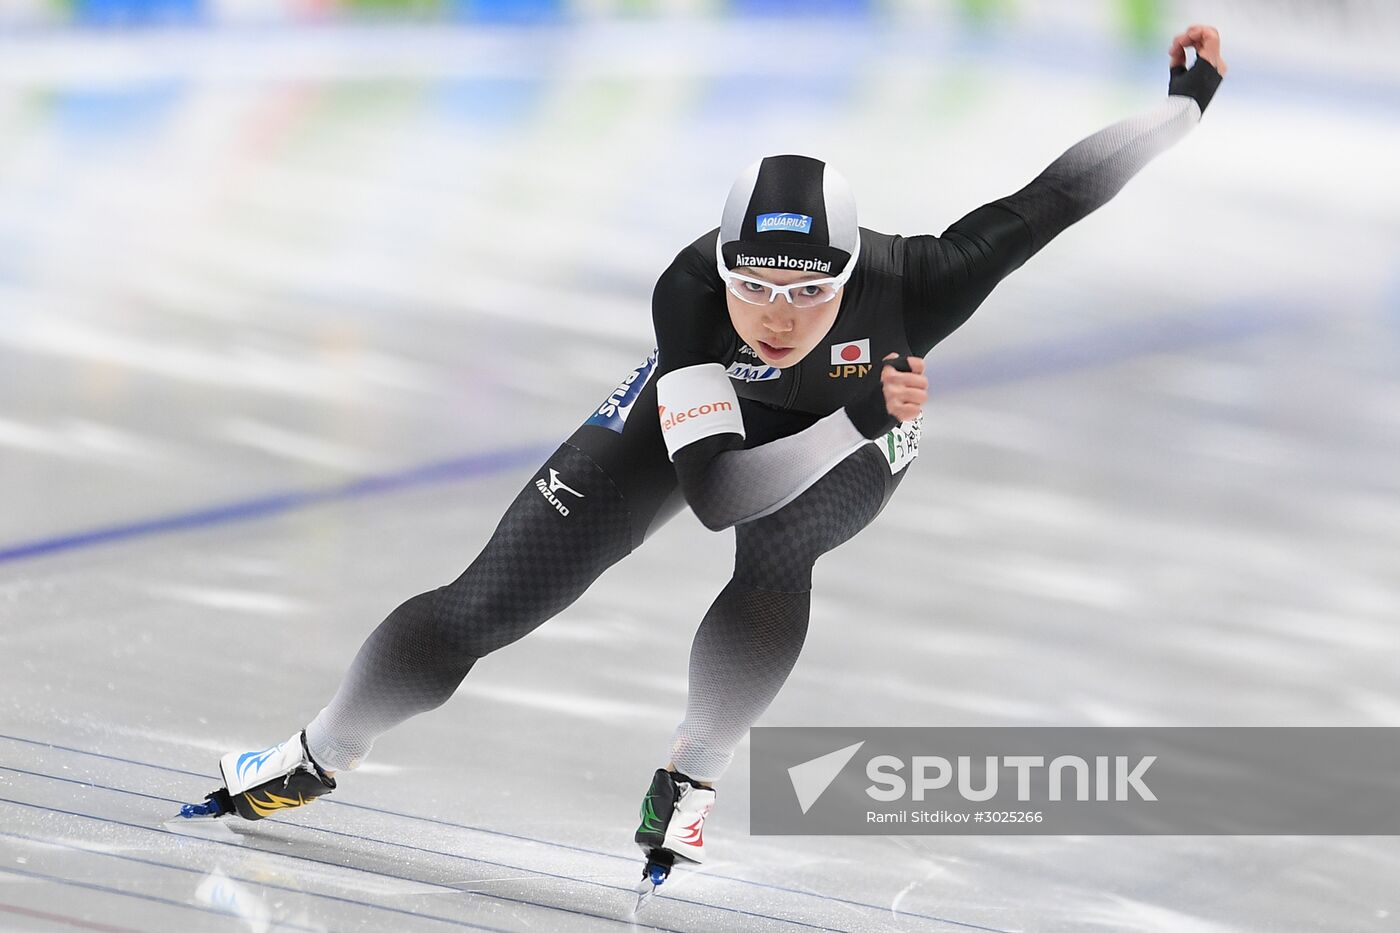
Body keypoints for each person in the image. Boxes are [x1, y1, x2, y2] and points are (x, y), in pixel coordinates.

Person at [186, 23, 1226, 889]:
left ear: (850, 271)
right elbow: (718, 493)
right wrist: (853, 409)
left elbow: (1057, 194)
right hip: (789, 419)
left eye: (809, 292)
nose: (777, 317)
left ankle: (692, 771)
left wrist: (1181, 106)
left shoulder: (923, 279)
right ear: (719, 265)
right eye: (755, 287)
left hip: (857, 431)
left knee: (781, 556)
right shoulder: (686, 293)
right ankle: (318, 751)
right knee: (483, 608)